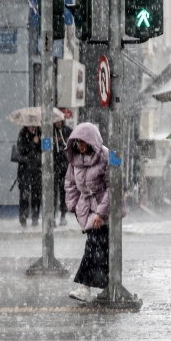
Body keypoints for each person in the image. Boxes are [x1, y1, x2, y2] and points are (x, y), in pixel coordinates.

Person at [65, 122, 111, 303]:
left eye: (84, 142)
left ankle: (86, 286)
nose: (81, 146)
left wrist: (100, 213)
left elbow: (112, 187)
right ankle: (103, 286)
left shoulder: (106, 156)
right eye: (77, 143)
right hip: (86, 209)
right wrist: (74, 205)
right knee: (97, 247)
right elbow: (69, 183)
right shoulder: (75, 159)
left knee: (97, 247)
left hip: (103, 210)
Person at [15, 125, 42, 227]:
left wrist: (38, 142)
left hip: (36, 170)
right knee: (24, 195)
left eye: (34, 126)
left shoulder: (40, 134)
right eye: (30, 126)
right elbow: (21, 150)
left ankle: (35, 217)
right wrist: (32, 143)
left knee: (36, 195)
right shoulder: (22, 135)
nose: (32, 128)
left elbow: (44, 150)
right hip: (24, 170)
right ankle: (23, 217)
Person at [53, 118, 70, 226]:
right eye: (56, 121)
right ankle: (53, 215)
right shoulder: (49, 131)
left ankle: (63, 214)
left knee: (64, 192)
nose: (58, 123)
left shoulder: (67, 131)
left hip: (64, 167)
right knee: (54, 193)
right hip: (54, 167)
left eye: (60, 121)